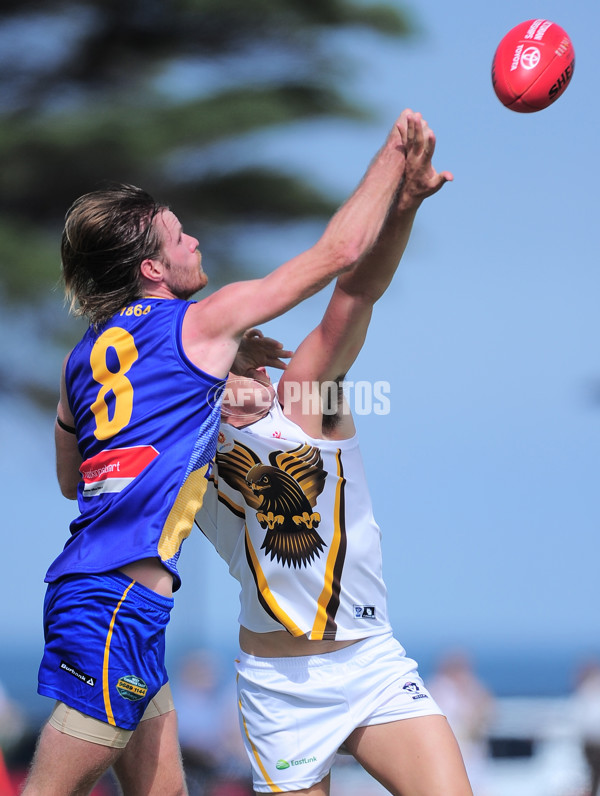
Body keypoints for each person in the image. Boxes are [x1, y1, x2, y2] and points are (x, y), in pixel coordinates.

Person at [22, 114, 411, 796]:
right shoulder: (202, 320)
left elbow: (70, 478)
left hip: (96, 593)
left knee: (166, 790)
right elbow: (340, 253)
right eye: (180, 237)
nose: (194, 239)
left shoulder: (81, 357)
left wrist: (202, 382)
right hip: (117, 599)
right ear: (153, 268)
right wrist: (395, 157)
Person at [195, 110, 473, 795]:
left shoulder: (302, 401)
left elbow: (354, 293)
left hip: (368, 665)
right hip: (275, 686)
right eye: (227, 359)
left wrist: (402, 206)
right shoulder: (186, 440)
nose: (247, 372)